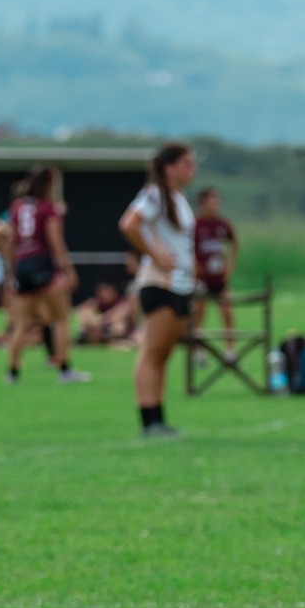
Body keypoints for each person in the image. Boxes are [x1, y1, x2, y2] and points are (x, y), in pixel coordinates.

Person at [119, 143, 198, 437]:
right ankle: (148, 419)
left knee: (164, 354)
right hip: (160, 284)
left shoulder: (177, 199)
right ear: (169, 167)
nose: (192, 170)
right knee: (151, 352)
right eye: (187, 164)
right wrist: (154, 254)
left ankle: (159, 417)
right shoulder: (154, 195)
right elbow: (129, 224)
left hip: (180, 284)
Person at [1, 165, 87, 385]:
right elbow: (55, 241)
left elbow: (10, 242)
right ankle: (65, 369)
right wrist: (68, 270)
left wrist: (12, 272)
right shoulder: (49, 208)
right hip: (42, 264)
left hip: (22, 265)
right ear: (50, 184)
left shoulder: (18, 206)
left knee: (22, 323)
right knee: (61, 318)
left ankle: (12, 372)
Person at [191, 187, 238, 334]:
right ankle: (198, 348)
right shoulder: (195, 224)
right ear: (203, 203)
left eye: (217, 201)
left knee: (227, 312)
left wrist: (230, 265)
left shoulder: (222, 224)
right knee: (199, 312)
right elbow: (185, 246)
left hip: (219, 277)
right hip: (201, 278)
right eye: (212, 201)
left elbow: (235, 243)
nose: (216, 205)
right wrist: (193, 265)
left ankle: (230, 347)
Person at [74, 279, 139, 347]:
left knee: (118, 326)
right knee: (87, 315)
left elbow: (117, 316)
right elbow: (81, 310)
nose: (102, 293)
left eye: (106, 290)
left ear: (114, 292)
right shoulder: (98, 303)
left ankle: (118, 342)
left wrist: (101, 320)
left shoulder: (122, 303)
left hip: (122, 333)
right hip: (101, 330)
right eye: (100, 290)